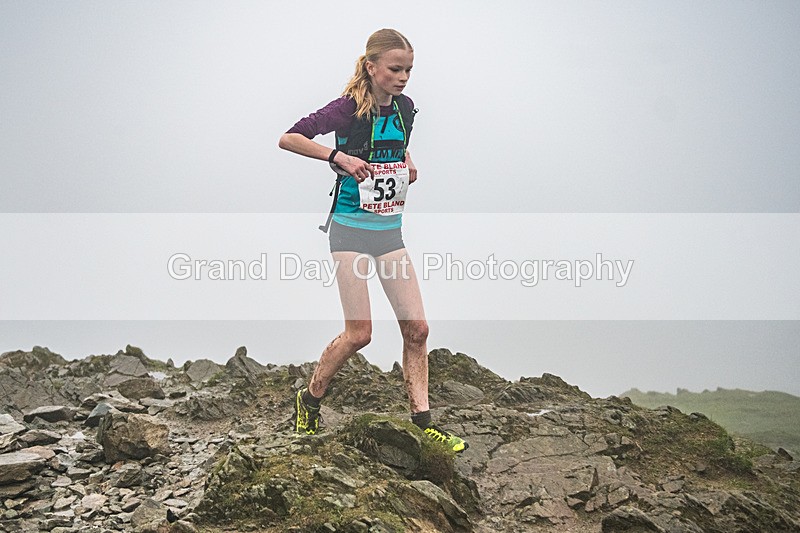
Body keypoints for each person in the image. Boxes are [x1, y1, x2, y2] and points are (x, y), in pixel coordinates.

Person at [278, 28, 467, 453]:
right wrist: (336, 156)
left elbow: (398, 147)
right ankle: (309, 401)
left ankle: (423, 423)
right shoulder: (346, 110)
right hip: (349, 231)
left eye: (409, 70)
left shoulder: (406, 109)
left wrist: (409, 162)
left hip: (389, 233)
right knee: (359, 333)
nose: (403, 77)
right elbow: (288, 137)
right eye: (395, 69)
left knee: (417, 328)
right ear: (371, 67)